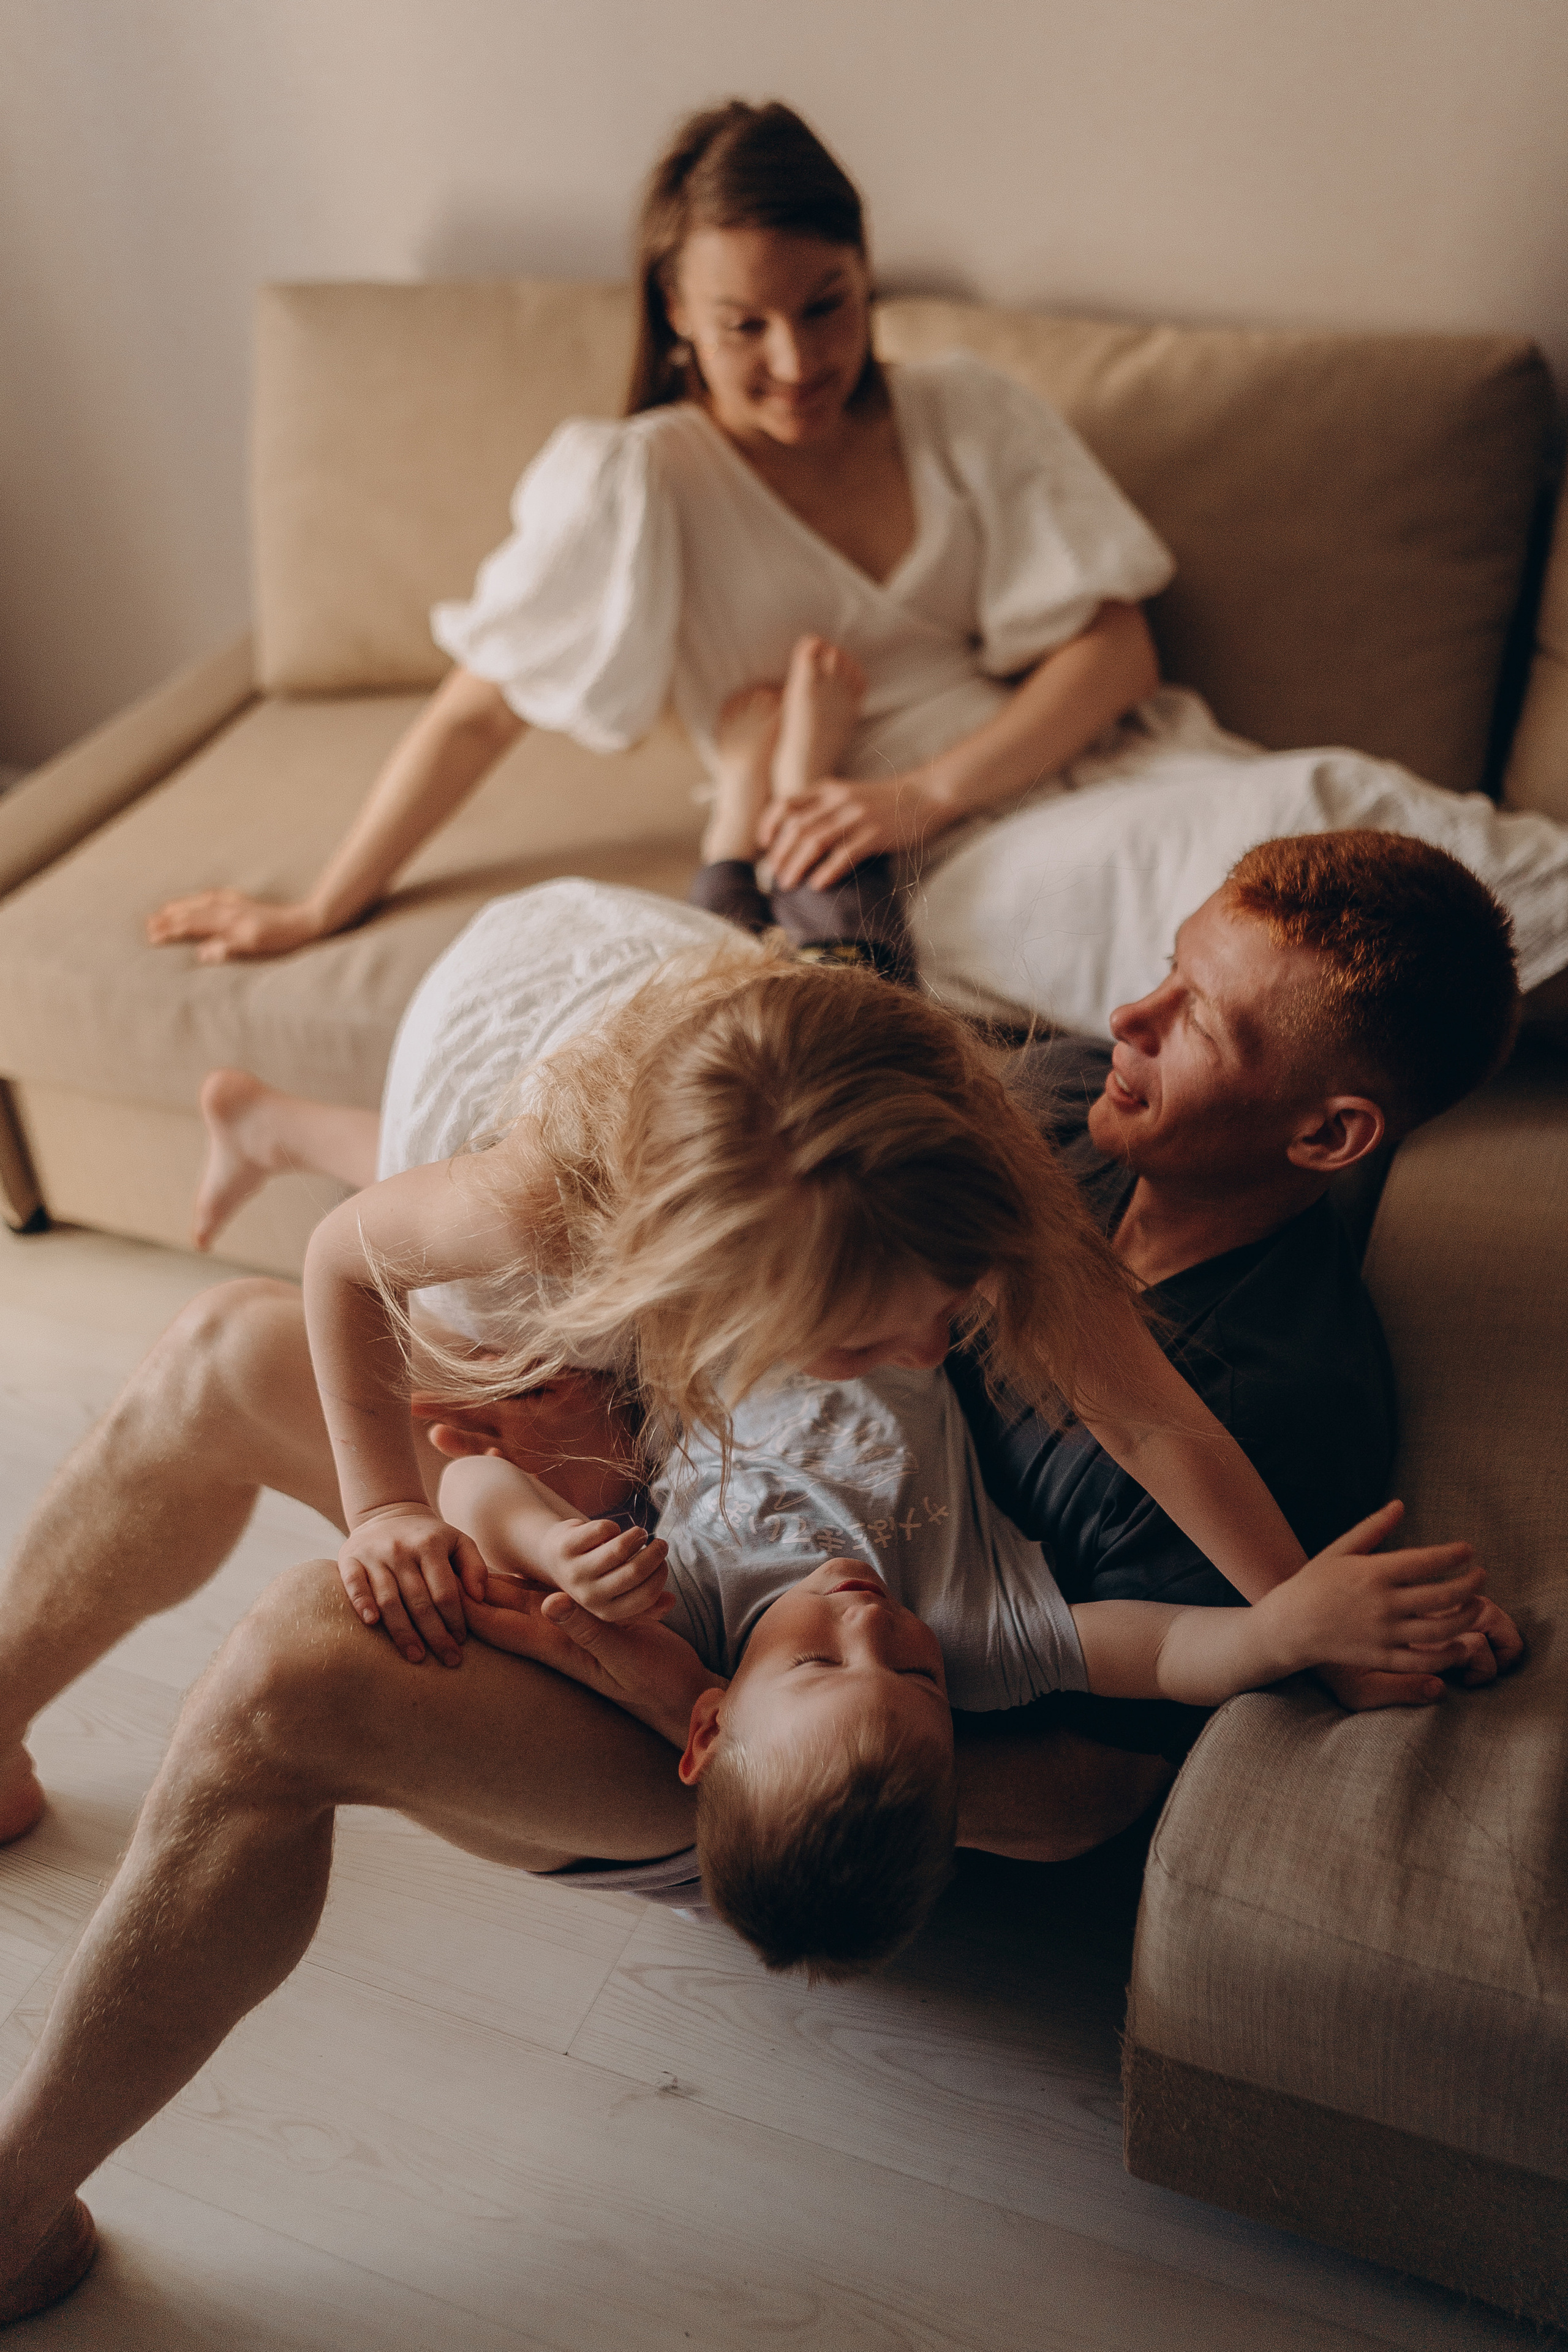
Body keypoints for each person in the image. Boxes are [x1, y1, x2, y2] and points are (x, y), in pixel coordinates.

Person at [0, 838, 1523, 2322]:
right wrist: (541, 1456)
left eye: (1201, 1021)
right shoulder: (1048, 1104)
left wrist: (761, 1734)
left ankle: (12, 2222)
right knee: (222, 1349)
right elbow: (444, 1266)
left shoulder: (1258, 1385)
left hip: (770, 1750)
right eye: (1166, 971)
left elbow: (1088, 1785)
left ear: (1327, 1133)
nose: (1129, 1016)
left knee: (299, 1666)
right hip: (673, 1536)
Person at [140, 98, 1568, 1031]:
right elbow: (473, 716)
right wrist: (321, 904)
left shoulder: (964, 410)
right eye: (744, 326)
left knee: (1343, 809)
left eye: (826, 306)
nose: (797, 361)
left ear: (864, 274)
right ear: (674, 313)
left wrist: (928, 780)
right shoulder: (638, 483)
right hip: (911, 869)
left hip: (1081, 766)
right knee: (1276, 891)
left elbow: (1112, 648)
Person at [435, 1368, 1493, 1978]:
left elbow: (468, 1483)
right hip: (868, 1290)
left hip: (707, 1291)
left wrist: (548, 1544)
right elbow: (1169, 1654)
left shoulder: (685, 1608)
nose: (872, 1623)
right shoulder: (974, 1634)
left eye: (817, 1662)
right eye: (918, 1678)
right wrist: (1290, 1630)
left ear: (708, 1721)